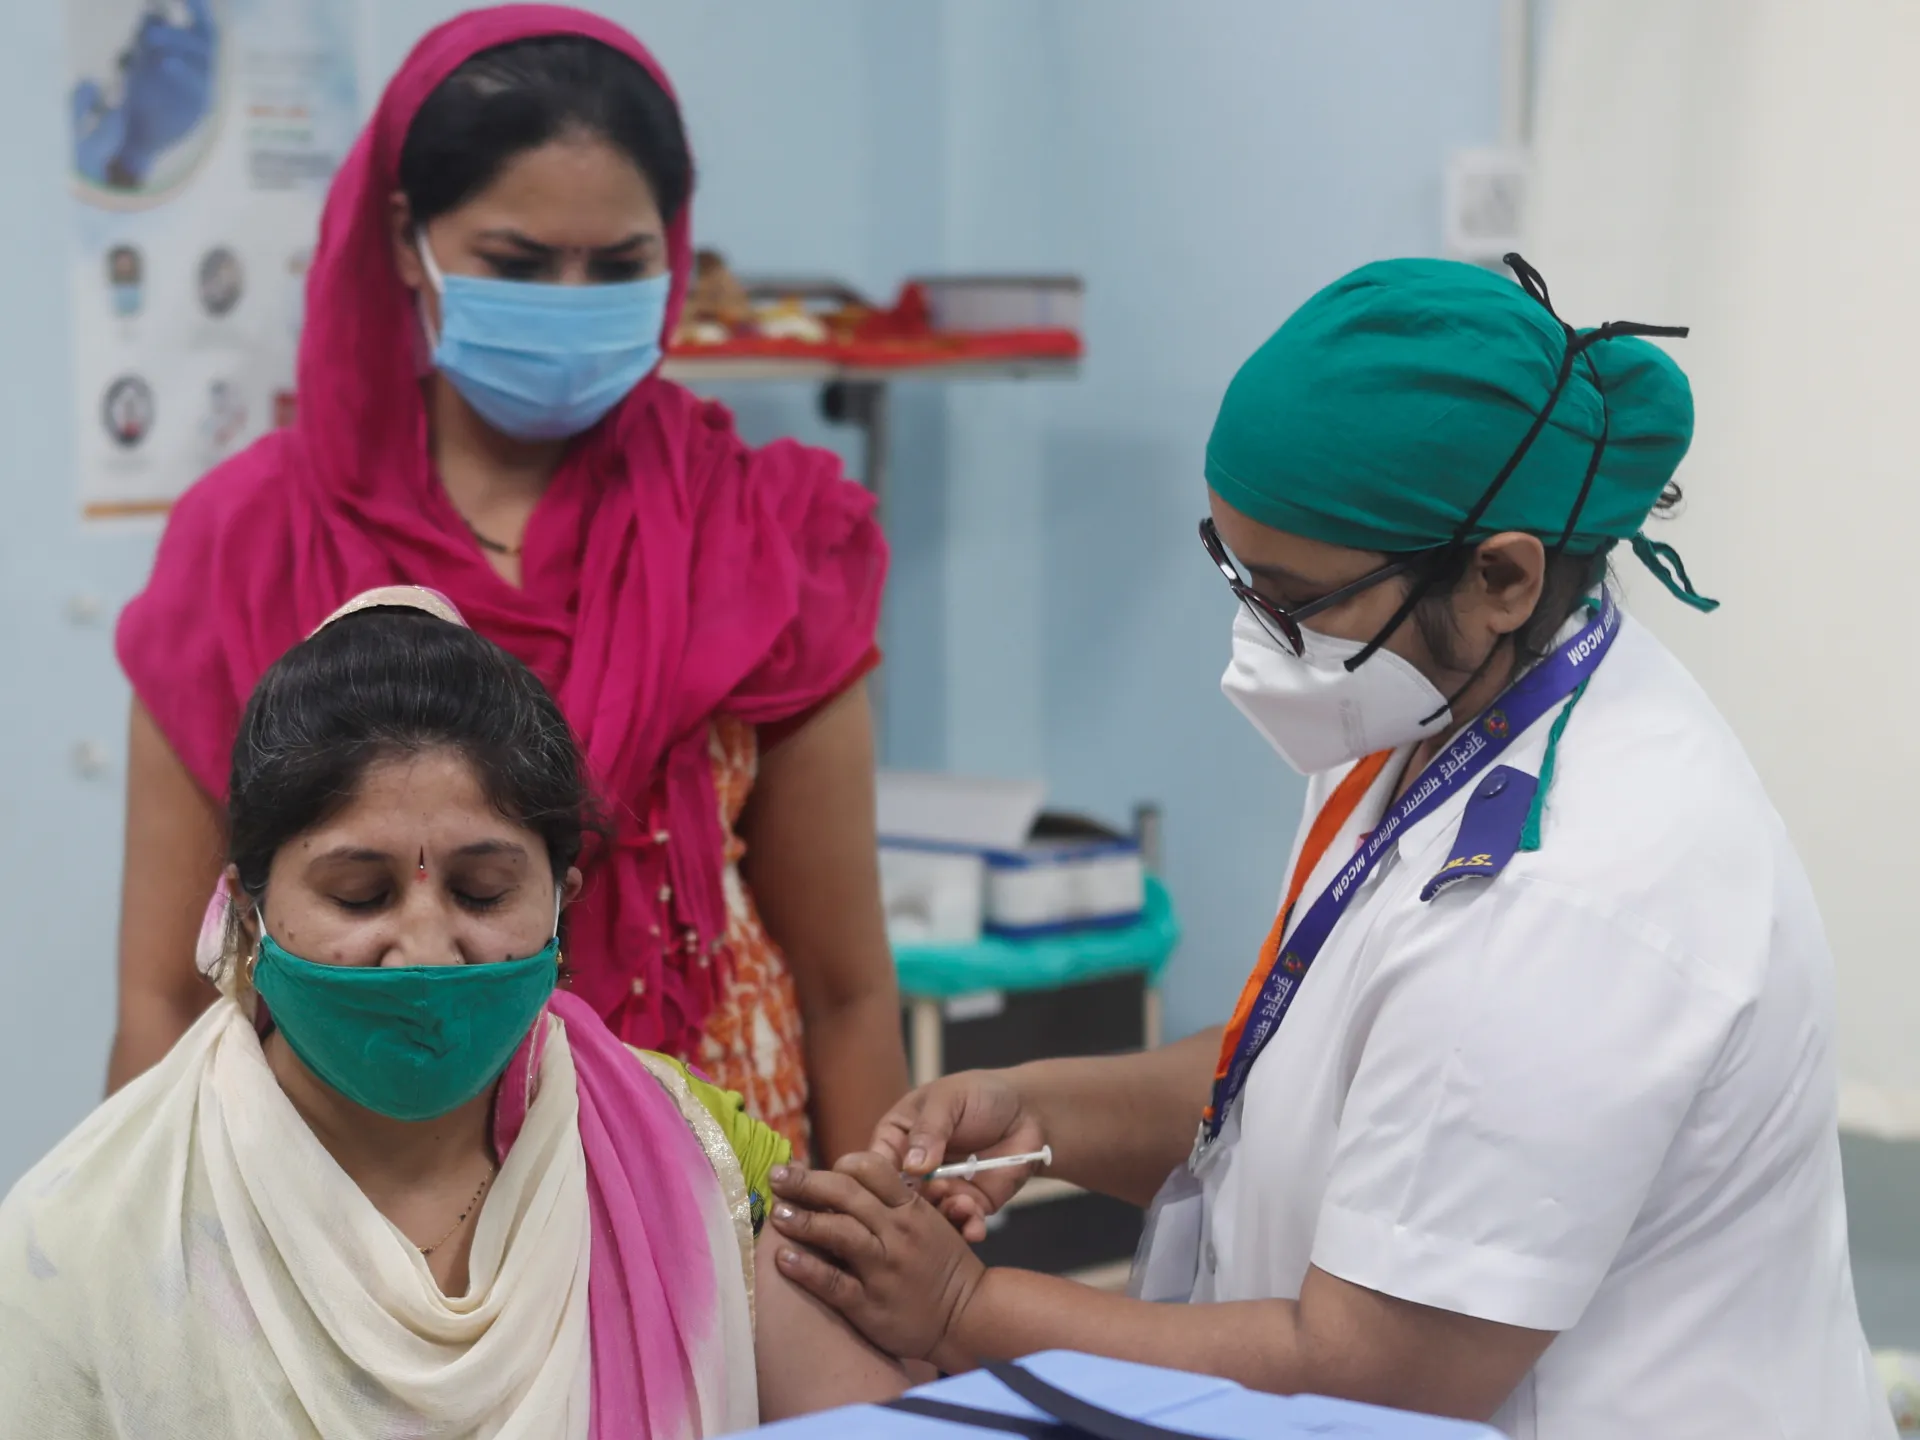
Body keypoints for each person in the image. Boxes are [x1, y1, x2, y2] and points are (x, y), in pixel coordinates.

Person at [764, 257, 1895, 1439]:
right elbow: (1294, 1081)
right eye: (1238, 575)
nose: (1258, 639)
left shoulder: (1567, 899)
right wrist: (1038, 1114)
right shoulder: (1433, 702)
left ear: (1503, 576)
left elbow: (1371, 1373)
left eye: (1293, 601)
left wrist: (964, 1308)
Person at [110, 4, 905, 1161]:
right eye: (519, 266)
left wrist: (885, 1250)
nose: (571, 301)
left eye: (619, 267)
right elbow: (164, 997)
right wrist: (139, 1245)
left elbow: (848, 991)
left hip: (709, 1190)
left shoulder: (764, 530)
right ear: (408, 241)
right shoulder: (249, 542)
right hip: (341, 1202)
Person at [0, 588, 904, 1436]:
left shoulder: (689, 1160)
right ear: (248, 908)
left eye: (482, 891)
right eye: (360, 896)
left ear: (561, 903)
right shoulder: (86, 1236)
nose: (426, 949)